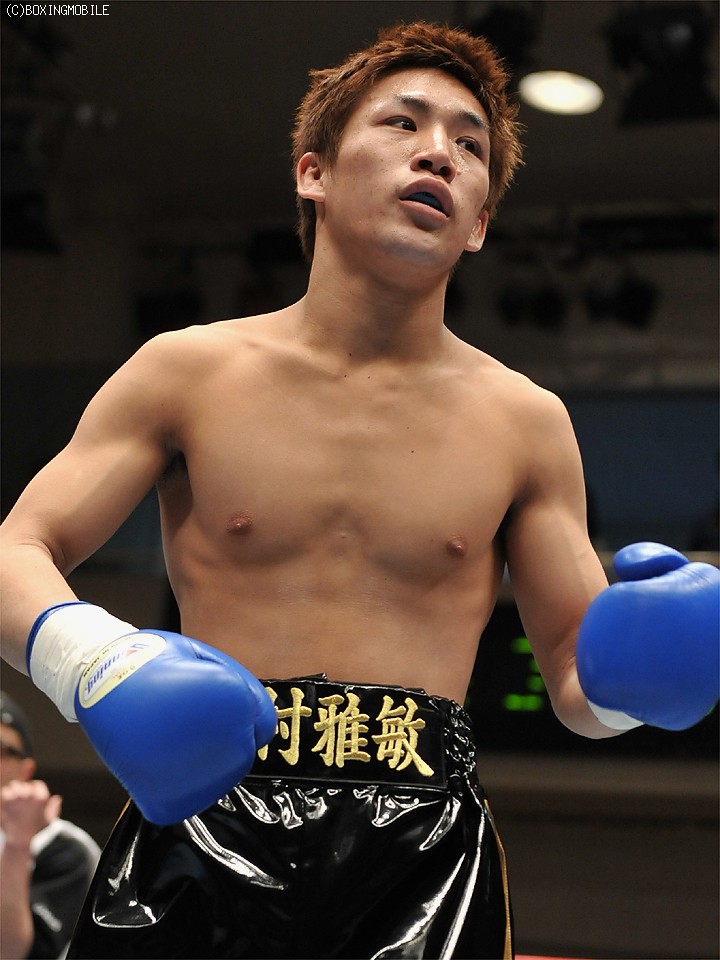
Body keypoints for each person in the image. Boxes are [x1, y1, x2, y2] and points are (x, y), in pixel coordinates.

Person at [0, 20, 717, 960]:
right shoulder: (186, 373)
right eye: (404, 123)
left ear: (480, 223)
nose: (440, 154)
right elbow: (17, 548)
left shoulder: (526, 421)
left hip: (420, 856)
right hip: (203, 814)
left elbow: (578, 680)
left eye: (470, 146)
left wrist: (642, 680)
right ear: (314, 173)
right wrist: (92, 661)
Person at [0, 691, 100, 960]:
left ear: (25, 770)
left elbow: (10, 953)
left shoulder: (64, 846)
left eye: (1, 749)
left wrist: (18, 842)